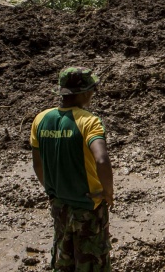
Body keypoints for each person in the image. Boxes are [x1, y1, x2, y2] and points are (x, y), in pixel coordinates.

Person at [31, 67, 114, 272]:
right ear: (85, 92)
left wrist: (53, 191)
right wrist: (108, 193)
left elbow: (38, 164)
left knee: (63, 259)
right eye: (92, 90)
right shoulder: (88, 121)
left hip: (59, 204)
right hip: (88, 205)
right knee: (93, 261)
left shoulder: (41, 119)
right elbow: (102, 160)